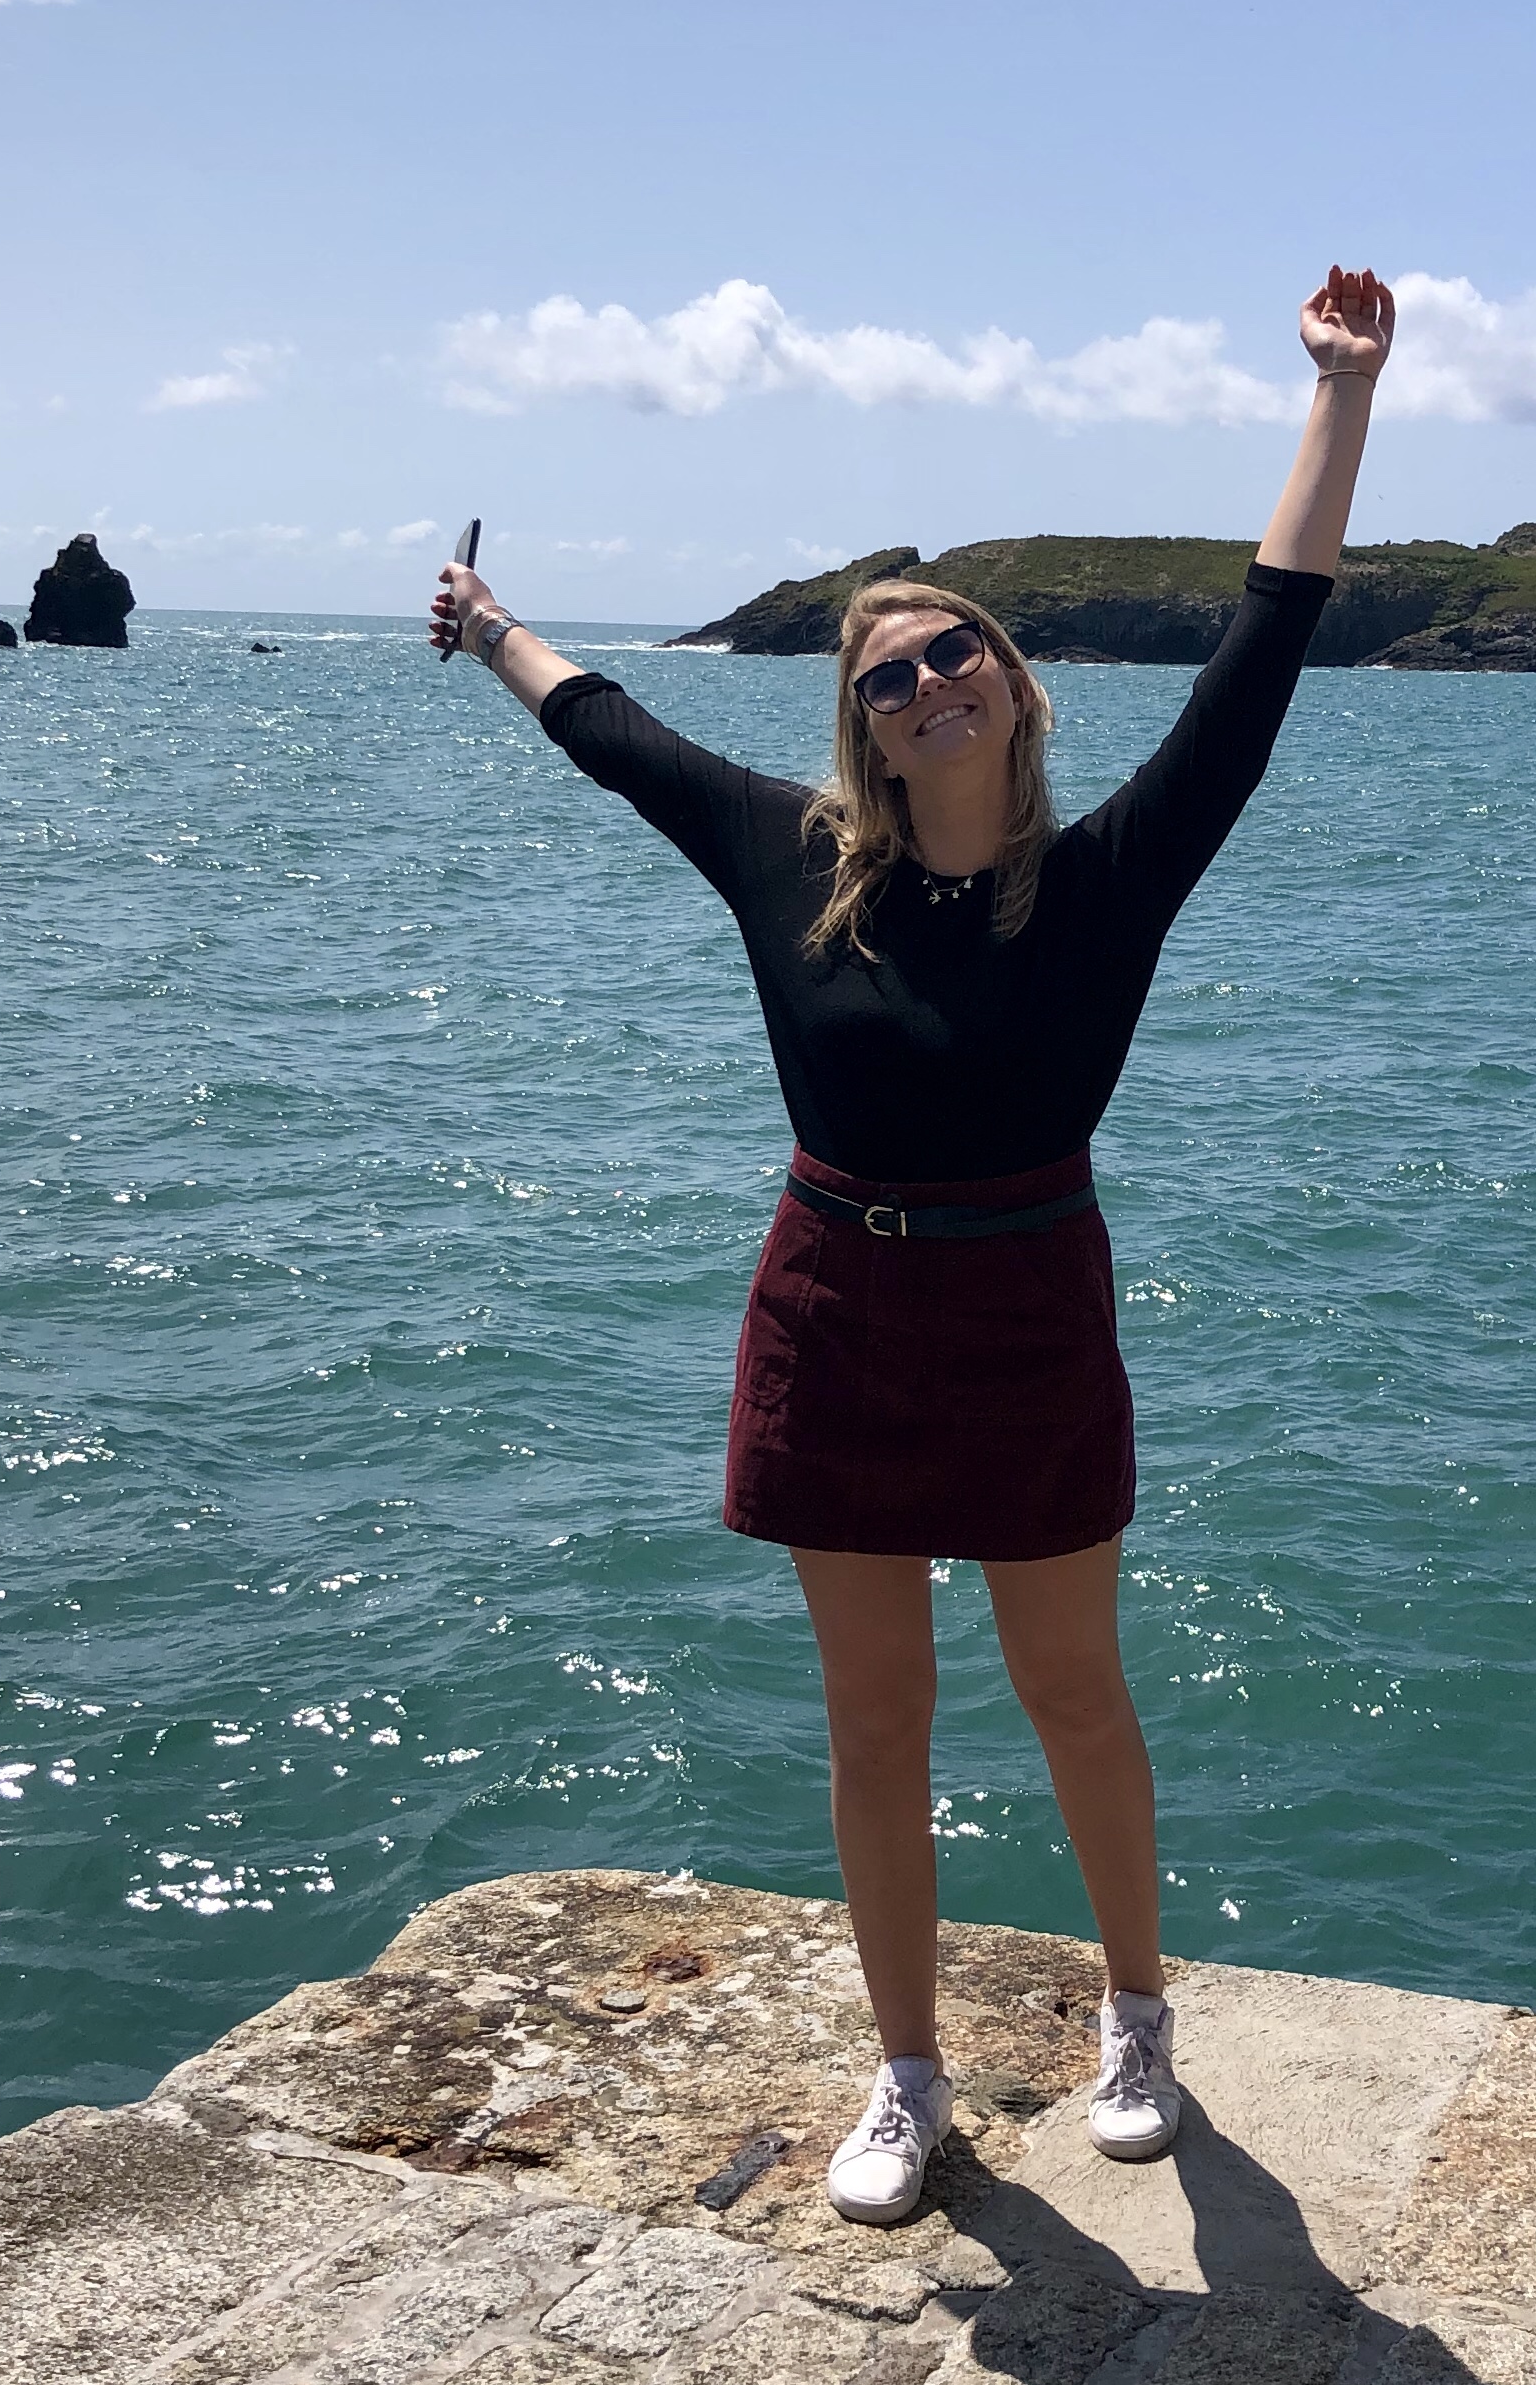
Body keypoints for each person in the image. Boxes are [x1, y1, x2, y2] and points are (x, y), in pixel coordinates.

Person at [431, 265, 1397, 2223]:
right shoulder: (792, 860)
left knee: (1071, 1692)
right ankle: (909, 2075)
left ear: (1014, 684)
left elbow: (1266, 643)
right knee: (876, 1722)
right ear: (865, 730)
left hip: (1028, 1296)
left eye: (956, 651)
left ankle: (1138, 2015)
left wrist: (1340, 394)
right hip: (837, 1303)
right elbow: (611, 733)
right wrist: (491, 624)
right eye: (888, 675)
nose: (929, 681)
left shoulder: (1111, 876)